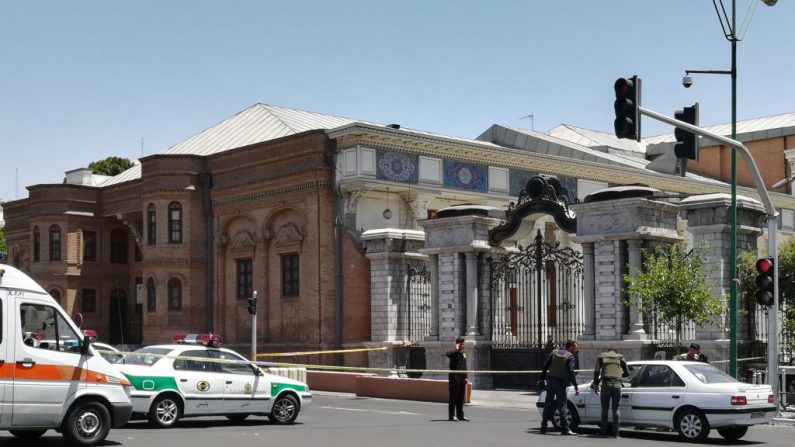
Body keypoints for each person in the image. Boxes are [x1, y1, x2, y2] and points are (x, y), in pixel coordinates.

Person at [540, 340, 579, 435]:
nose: (576, 350)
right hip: (560, 383)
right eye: (575, 348)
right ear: (570, 347)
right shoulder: (570, 356)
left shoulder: (554, 352)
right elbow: (571, 371)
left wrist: (542, 379)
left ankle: (543, 428)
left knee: (548, 404)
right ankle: (565, 429)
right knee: (562, 406)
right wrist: (575, 386)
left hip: (550, 382)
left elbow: (545, 366)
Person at [591, 347, 630, 438]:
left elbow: (596, 371)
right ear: (615, 352)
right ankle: (616, 433)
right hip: (617, 385)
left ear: (608, 352)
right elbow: (627, 373)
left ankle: (603, 432)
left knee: (605, 409)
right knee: (616, 409)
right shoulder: (620, 357)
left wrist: (596, 382)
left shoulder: (601, 356)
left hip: (606, 384)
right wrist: (619, 376)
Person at [446, 336, 469, 422]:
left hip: (462, 378)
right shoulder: (453, 353)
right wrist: (456, 349)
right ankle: (451, 416)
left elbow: (464, 366)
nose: (463, 346)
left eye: (463, 344)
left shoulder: (463, 353)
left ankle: (460, 415)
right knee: (453, 398)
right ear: (458, 344)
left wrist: (466, 377)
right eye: (461, 344)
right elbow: (447, 354)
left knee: (460, 398)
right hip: (454, 379)